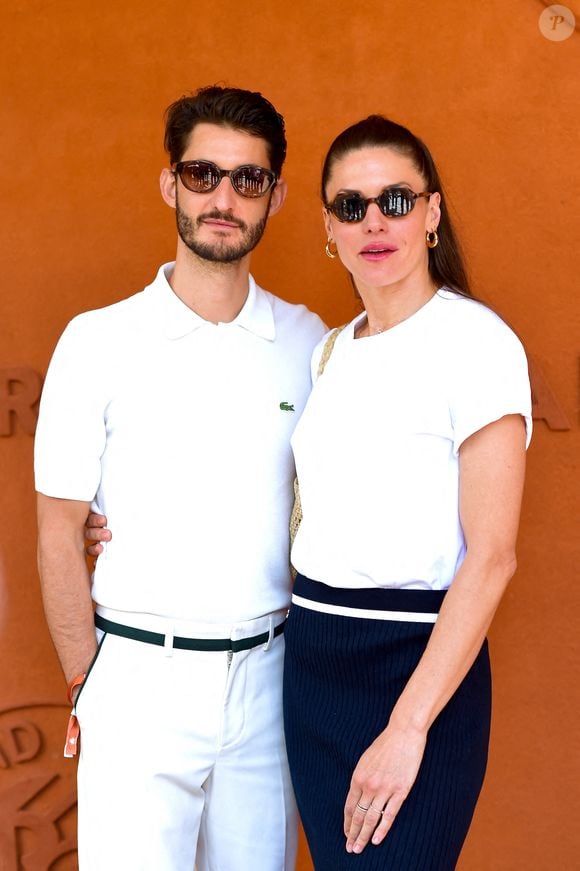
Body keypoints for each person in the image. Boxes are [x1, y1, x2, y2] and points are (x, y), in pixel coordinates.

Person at [34, 85, 326, 871]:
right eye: (203, 175)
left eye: (248, 179)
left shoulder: (311, 343)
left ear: (275, 196)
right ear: (170, 184)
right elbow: (59, 532)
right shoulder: (97, 341)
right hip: (134, 675)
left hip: (269, 679)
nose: (223, 197)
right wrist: (85, 682)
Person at [282, 115, 532, 870]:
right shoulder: (330, 351)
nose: (375, 221)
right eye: (351, 205)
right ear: (329, 225)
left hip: (416, 665)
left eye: (396, 197)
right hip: (314, 660)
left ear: (432, 211)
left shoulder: (476, 343)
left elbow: (491, 558)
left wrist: (408, 726)